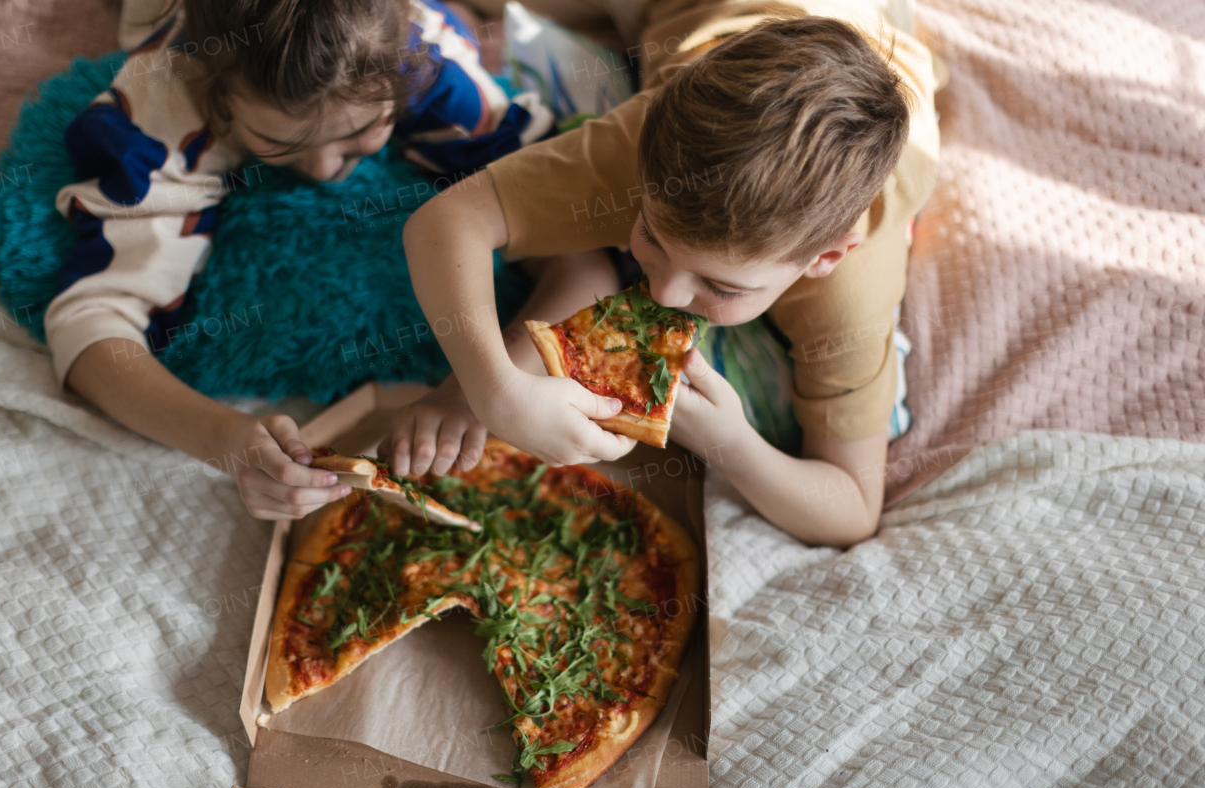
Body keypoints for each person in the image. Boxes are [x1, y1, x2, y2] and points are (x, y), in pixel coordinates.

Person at [391, 2, 942, 547]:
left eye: (723, 286)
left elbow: (851, 507)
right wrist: (493, 390)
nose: (663, 292)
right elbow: (443, 221)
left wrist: (727, 440)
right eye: (650, 235)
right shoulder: (645, 144)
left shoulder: (851, 292)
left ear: (826, 258)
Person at [50, 0, 552, 520]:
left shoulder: (425, 61)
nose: (324, 169)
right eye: (278, 141)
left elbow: (582, 252)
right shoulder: (162, 104)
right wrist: (224, 437)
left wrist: (482, 387)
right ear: (218, 97)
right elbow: (88, 328)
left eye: (359, 137)